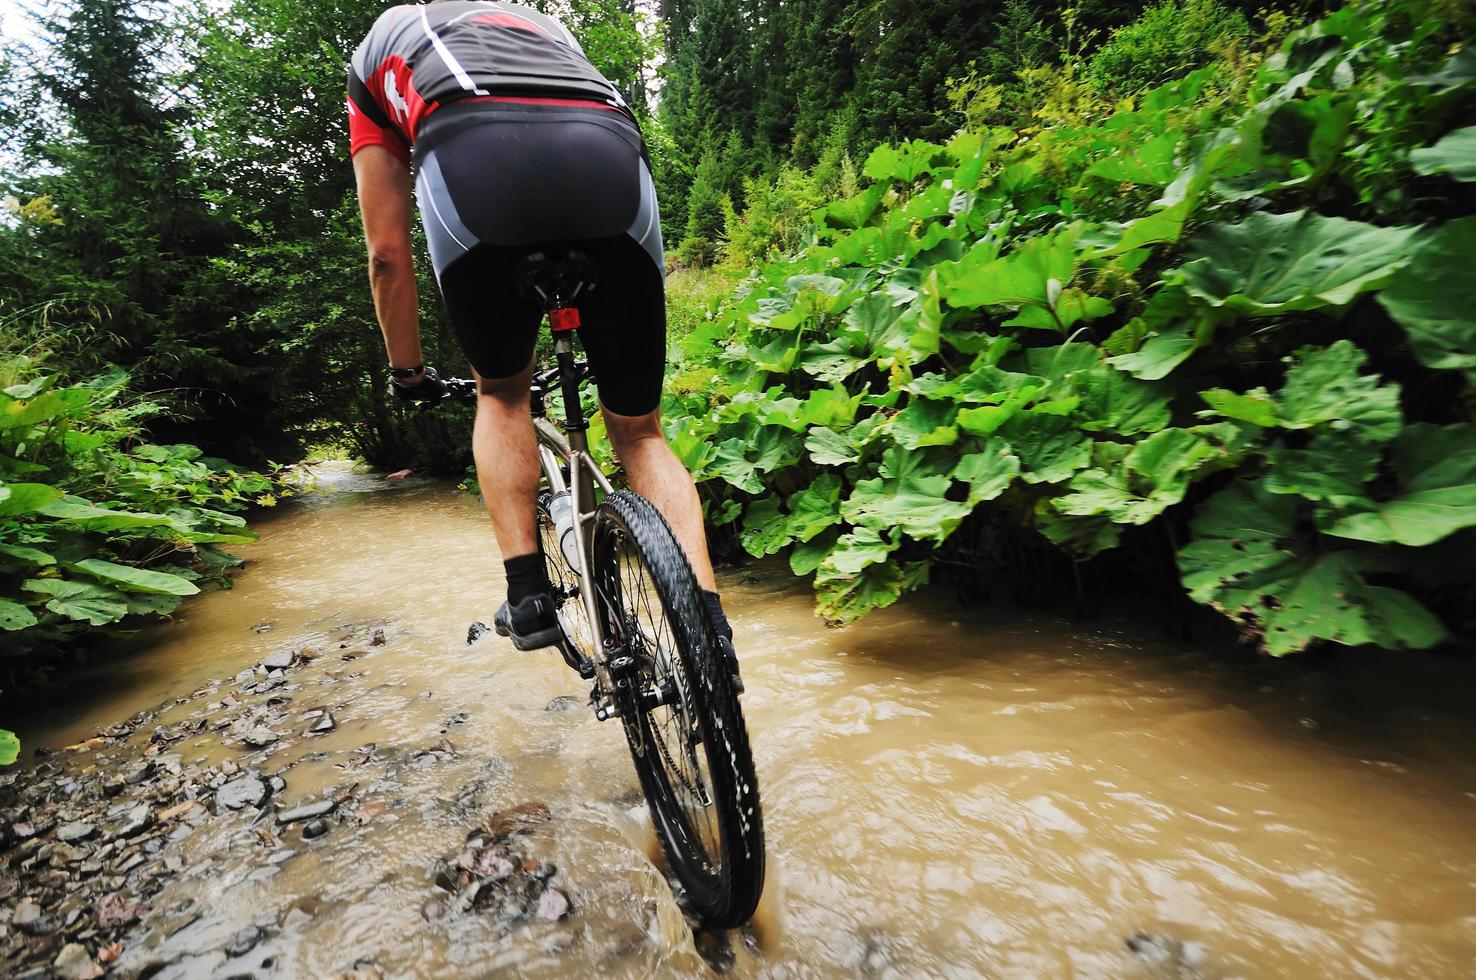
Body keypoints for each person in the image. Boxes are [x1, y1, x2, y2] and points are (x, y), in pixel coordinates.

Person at [345, 1, 737, 659]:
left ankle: (528, 596)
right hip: (607, 148)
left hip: (472, 155)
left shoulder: (380, 48)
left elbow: (387, 255)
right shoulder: (537, 23)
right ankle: (710, 630)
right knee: (640, 432)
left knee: (502, 393)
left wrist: (408, 372)